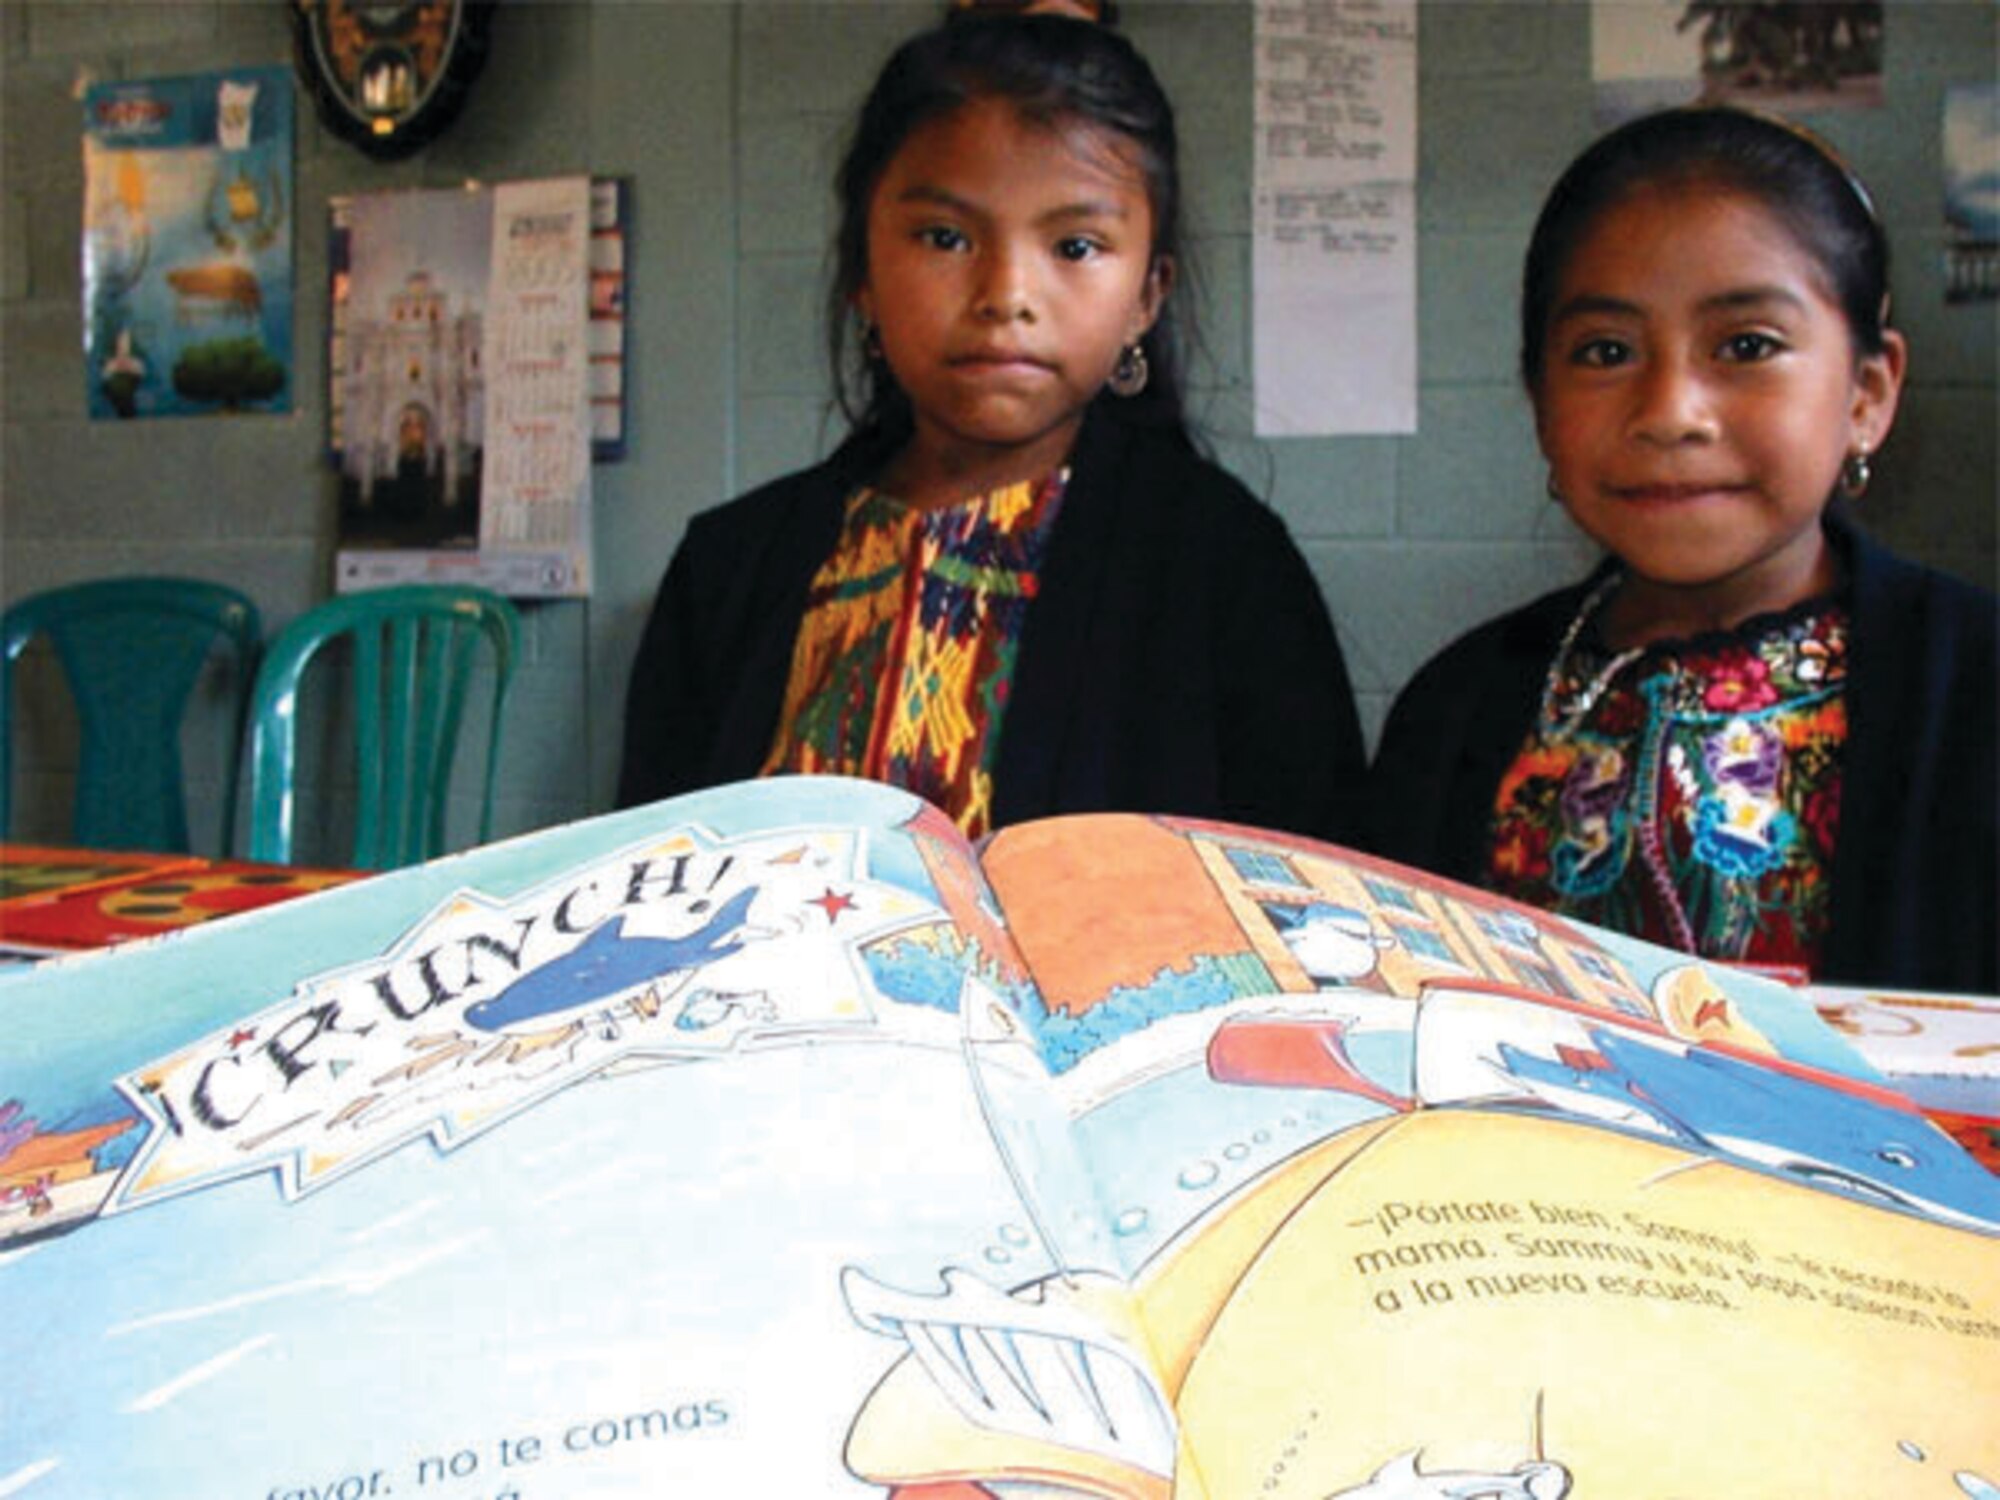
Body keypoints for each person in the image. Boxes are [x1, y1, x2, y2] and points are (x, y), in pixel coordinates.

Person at [619, 14, 1364, 842]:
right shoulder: (727, 571)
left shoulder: (1226, 570)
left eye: (1075, 246)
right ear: (864, 273)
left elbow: (1311, 890)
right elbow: (645, 874)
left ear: (1146, 296)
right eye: (945, 238)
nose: (1006, 294)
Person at [1367, 106, 1997, 993]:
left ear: (1866, 394)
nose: (1669, 412)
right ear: (1539, 402)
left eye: (1746, 345)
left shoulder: (1973, 687)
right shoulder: (1454, 711)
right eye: (1606, 352)